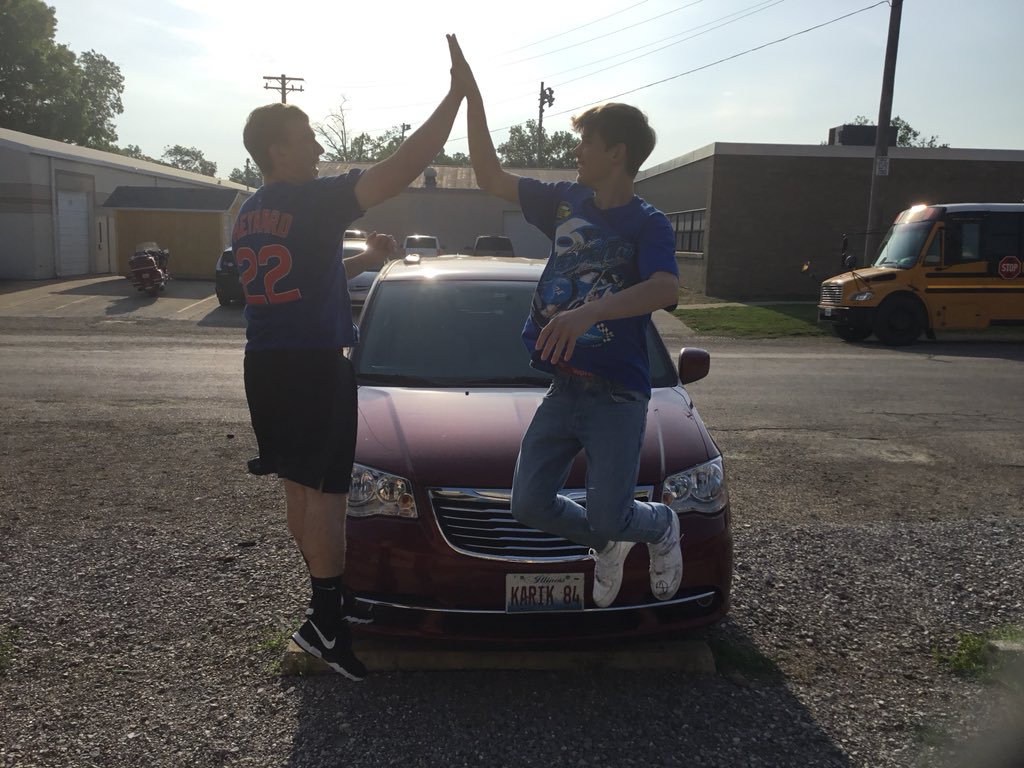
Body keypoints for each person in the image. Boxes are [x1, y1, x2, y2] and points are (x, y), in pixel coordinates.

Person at [233, 35, 466, 680]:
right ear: (278, 149)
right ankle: (329, 622)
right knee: (330, 493)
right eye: (305, 136)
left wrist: (363, 261)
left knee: (298, 489)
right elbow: (403, 164)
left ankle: (321, 611)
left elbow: (301, 274)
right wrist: (453, 98)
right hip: (313, 364)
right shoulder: (313, 198)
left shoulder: (249, 211)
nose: (316, 145)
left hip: (267, 362)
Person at [448, 37, 684, 609]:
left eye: (586, 143)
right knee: (527, 503)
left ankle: (657, 527)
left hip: (617, 395)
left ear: (618, 154)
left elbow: (665, 288)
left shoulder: (647, 223)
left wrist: (588, 313)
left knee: (613, 510)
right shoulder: (562, 200)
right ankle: (606, 543)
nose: (577, 151)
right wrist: (470, 98)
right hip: (564, 385)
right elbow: (487, 174)